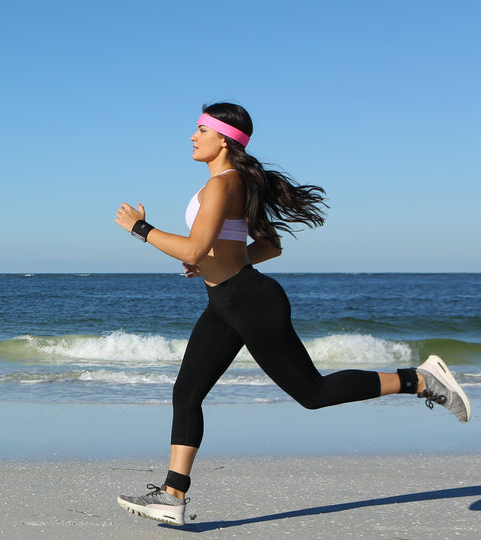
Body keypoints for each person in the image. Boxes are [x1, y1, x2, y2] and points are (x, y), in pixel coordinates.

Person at [114, 102, 471, 527]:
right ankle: (173, 494)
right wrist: (211, 263)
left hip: (250, 302)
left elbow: (192, 247)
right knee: (186, 393)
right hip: (225, 303)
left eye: (200, 130)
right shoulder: (236, 185)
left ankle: (418, 379)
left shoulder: (222, 185)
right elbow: (268, 247)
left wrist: (141, 228)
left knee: (313, 393)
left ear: (223, 138)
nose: (193, 137)